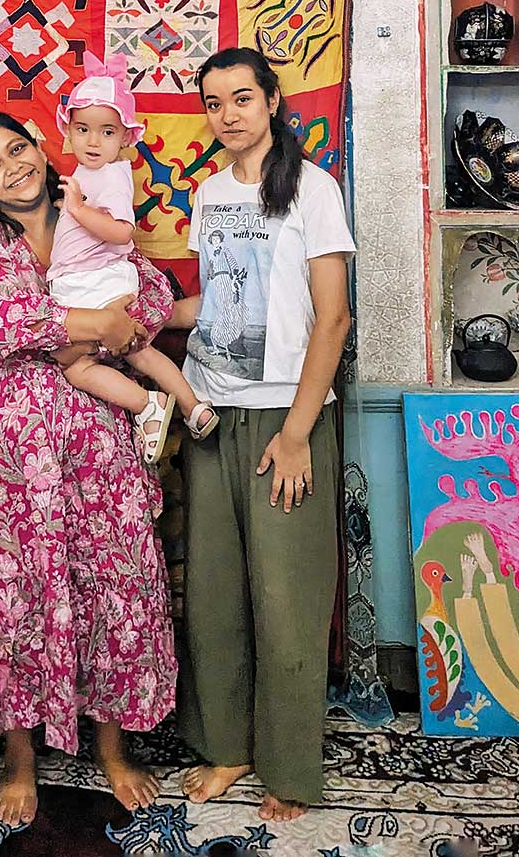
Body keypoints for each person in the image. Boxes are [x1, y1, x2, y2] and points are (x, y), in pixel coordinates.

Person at [0, 111, 177, 826]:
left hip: (97, 437)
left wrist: (109, 322)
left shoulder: (91, 212)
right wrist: (95, 323)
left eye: (18, 148)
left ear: (43, 150)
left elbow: (154, 297)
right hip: (5, 452)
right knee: (11, 592)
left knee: (114, 579)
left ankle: (111, 749)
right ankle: (19, 758)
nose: (12, 166)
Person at [168, 47, 353, 824]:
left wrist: (299, 432)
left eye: (242, 98)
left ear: (273, 101)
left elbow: (333, 317)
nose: (228, 114)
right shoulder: (209, 193)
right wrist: (128, 312)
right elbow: (214, 304)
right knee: (213, 595)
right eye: (214, 103)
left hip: (286, 417)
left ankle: (288, 766)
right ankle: (227, 747)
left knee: (286, 597)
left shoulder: (313, 188)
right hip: (211, 413)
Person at [47, 53, 218, 462]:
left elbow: (122, 231)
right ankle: (192, 406)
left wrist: (77, 210)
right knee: (137, 350)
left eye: (106, 132)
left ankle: (147, 404)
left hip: (95, 280)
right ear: (68, 130)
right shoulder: (91, 173)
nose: (93, 141)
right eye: (83, 129)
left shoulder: (112, 174)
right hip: (89, 278)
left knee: (76, 366)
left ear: (125, 137)